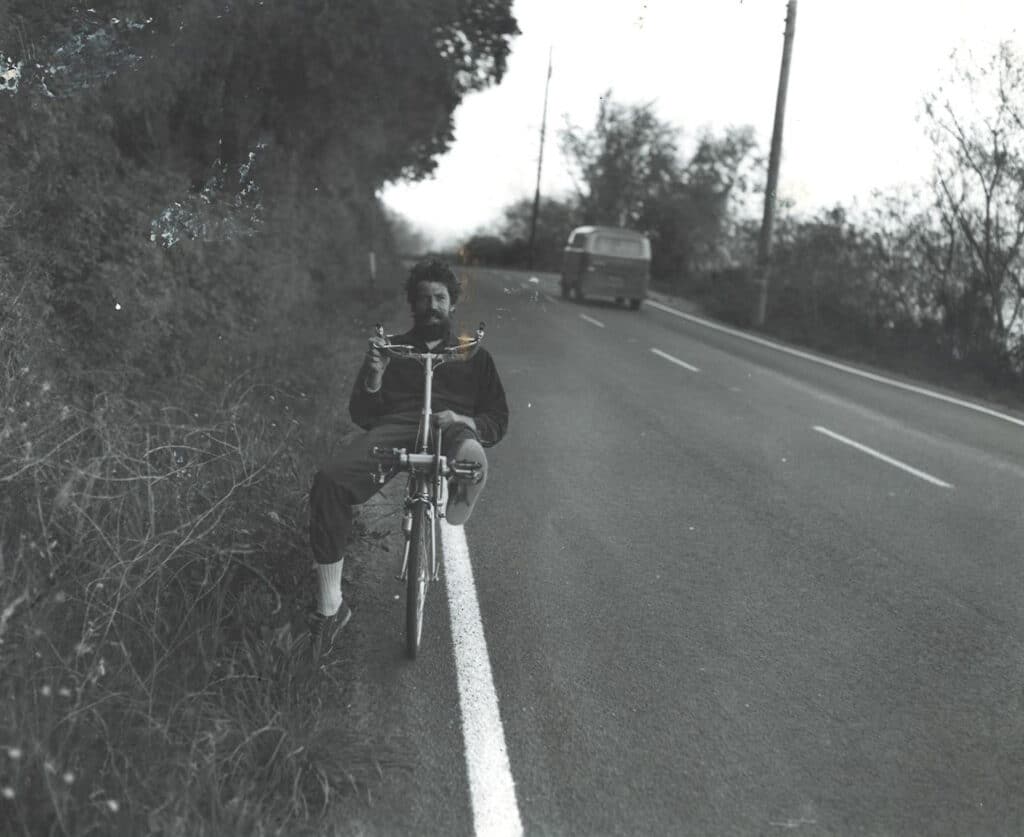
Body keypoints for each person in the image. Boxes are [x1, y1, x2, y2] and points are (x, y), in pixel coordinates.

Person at [306, 258, 509, 660]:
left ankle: (466, 472)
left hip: (451, 427)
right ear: (413, 304)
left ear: (452, 304)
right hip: (397, 427)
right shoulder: (393, 349)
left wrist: (465, 420)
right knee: (330, 480)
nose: (432, 306)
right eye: (424, 298)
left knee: (463, 440)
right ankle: (330, 608)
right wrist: (375, 376)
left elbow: (498, 418)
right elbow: (363, 415)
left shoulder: (473, 355)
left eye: (440, 298)